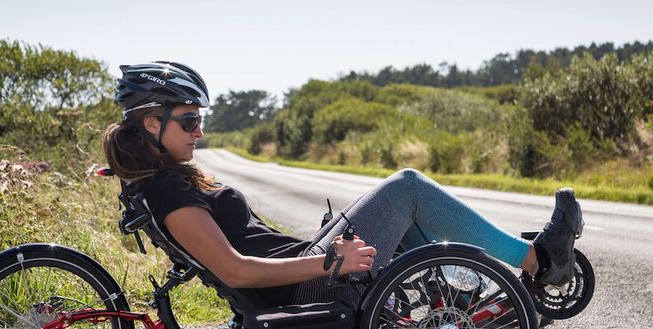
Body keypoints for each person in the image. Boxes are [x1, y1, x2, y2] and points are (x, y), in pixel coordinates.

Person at [103, 62, 584, 309]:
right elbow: (237, 272)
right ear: (150, 125)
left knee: (404, 211)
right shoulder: (168, 191)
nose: (199, 132)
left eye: (198, 121)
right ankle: (539, 261)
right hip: (309, 288)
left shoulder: (160, 179)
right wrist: (329, 260)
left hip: (307, 268)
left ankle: (455, 301)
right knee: (408, 187)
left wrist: (119, 168)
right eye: (188, 122)